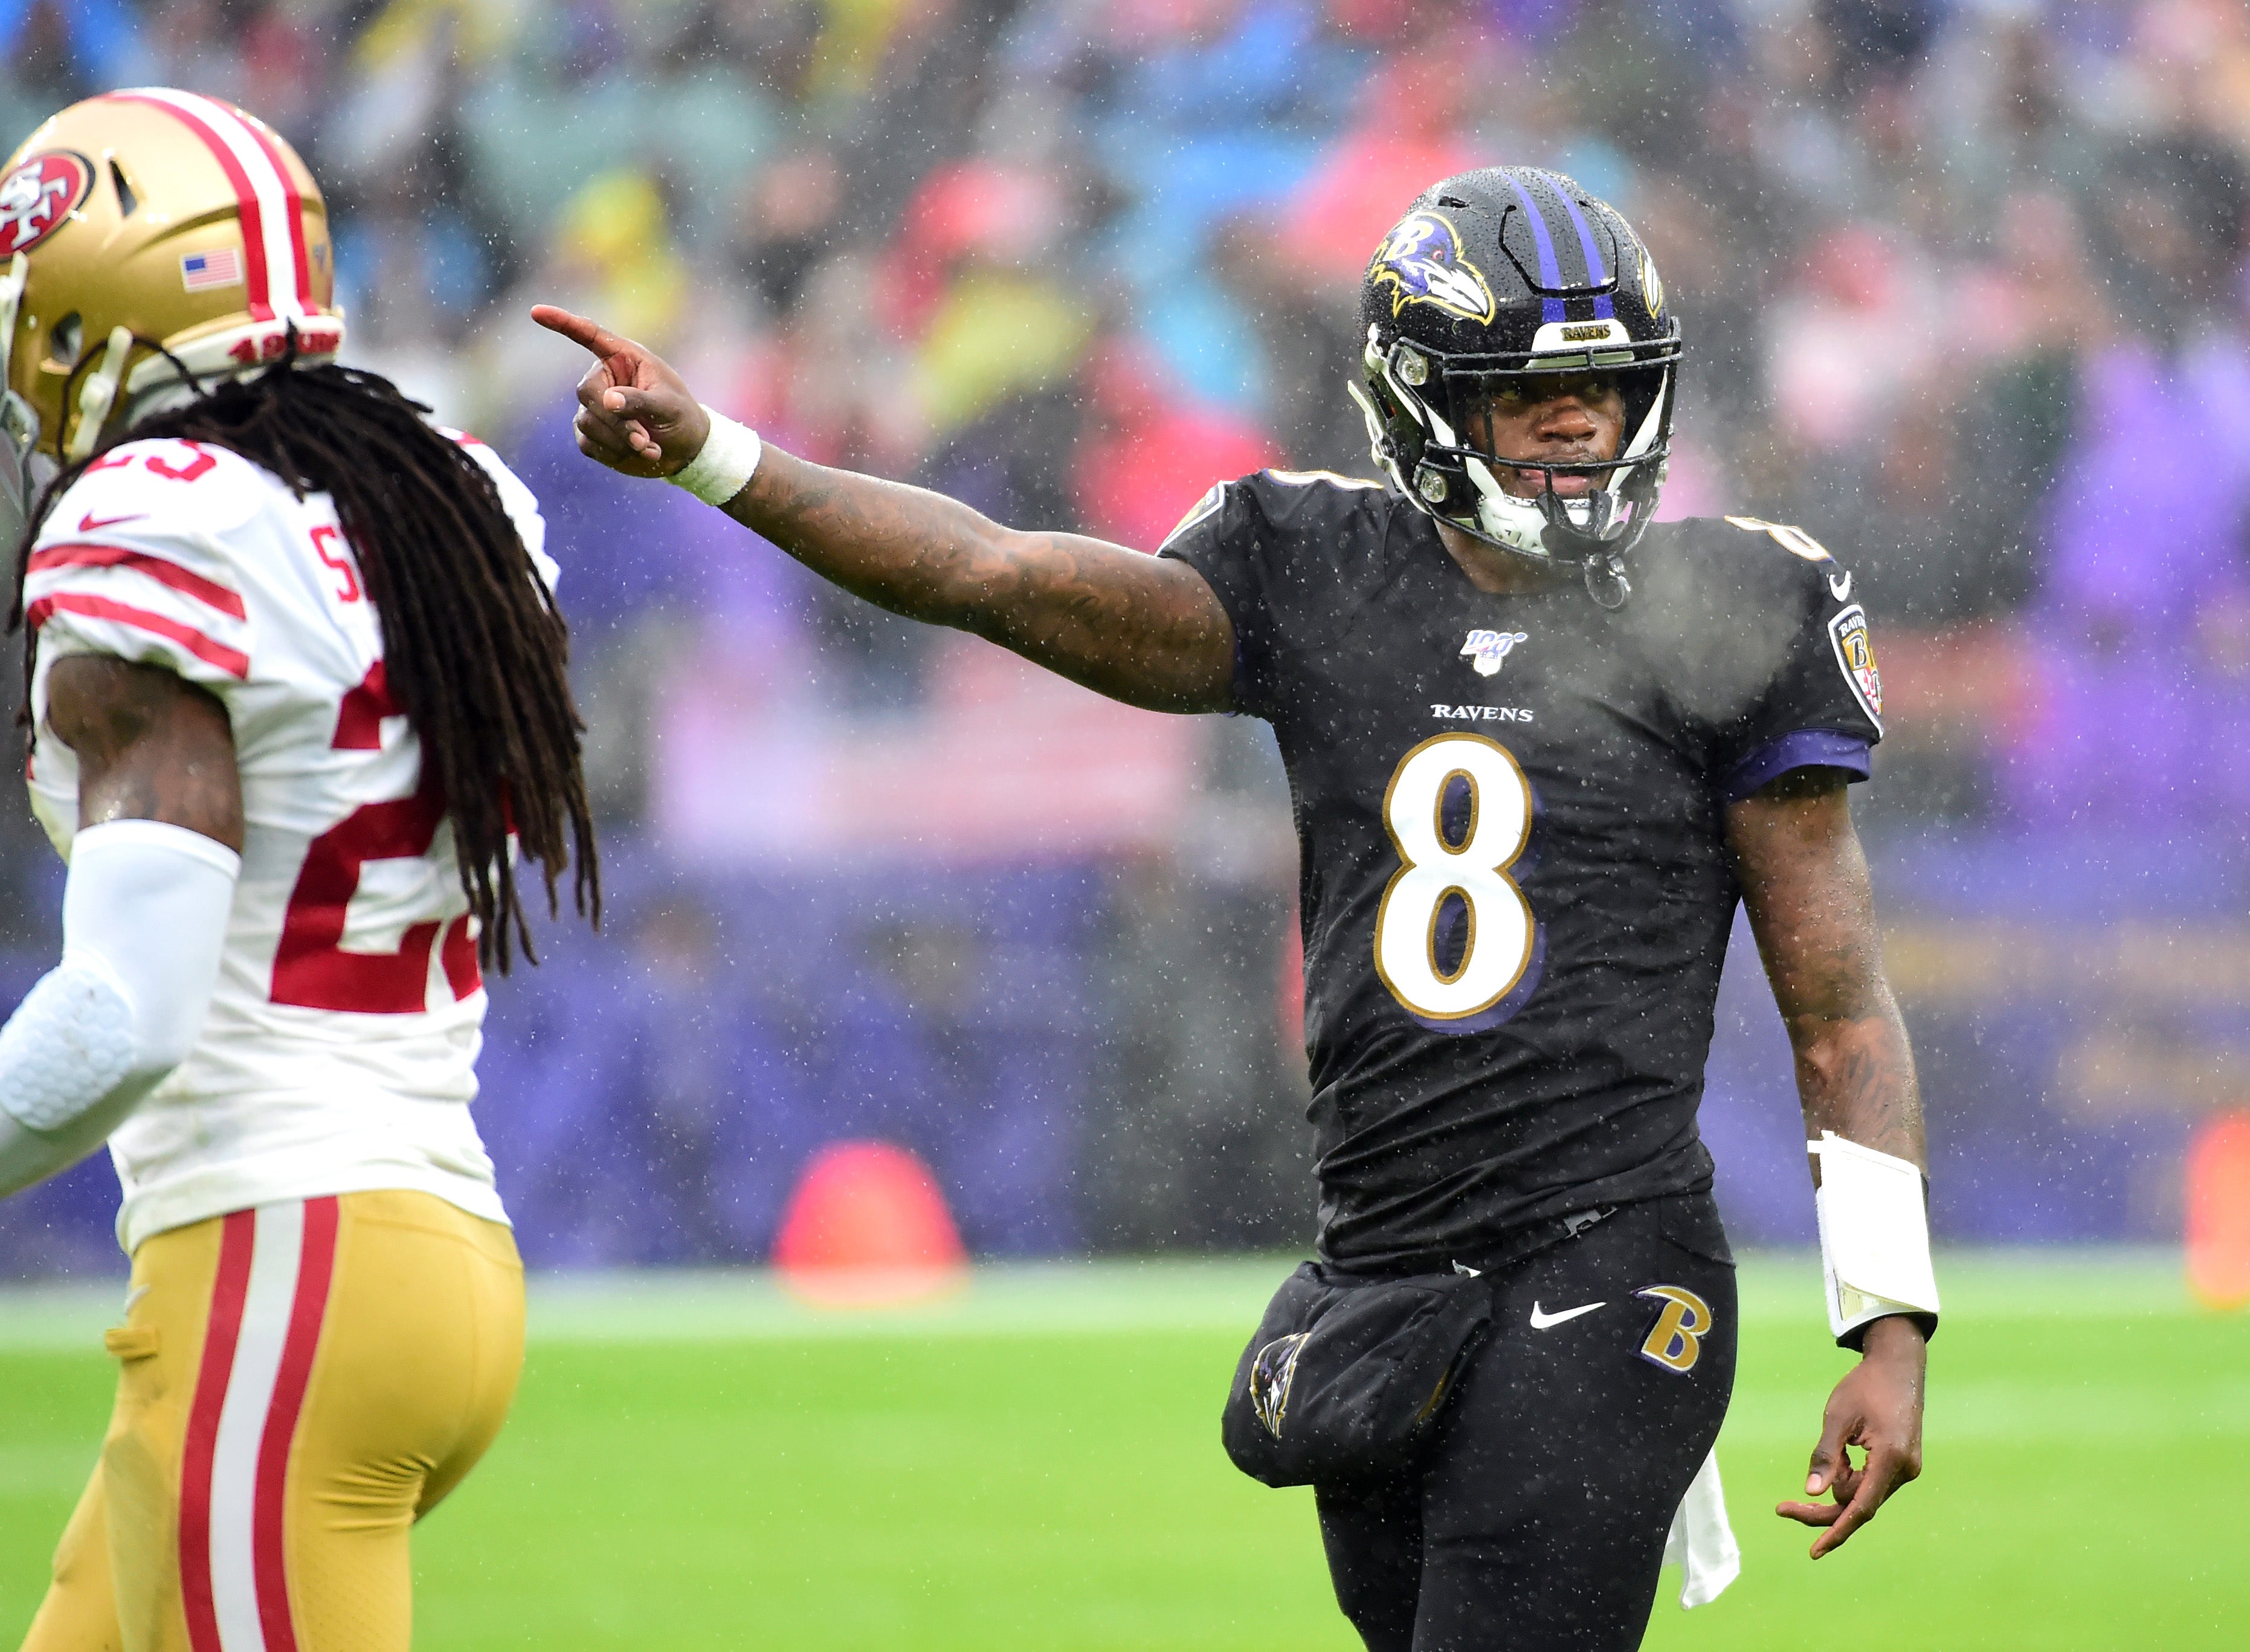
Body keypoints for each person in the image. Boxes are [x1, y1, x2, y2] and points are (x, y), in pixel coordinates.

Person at [537, 164, 1936, 1650]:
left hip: (1607, 1256)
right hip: (1384, 1269)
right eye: (1530, 396)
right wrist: (719, 459)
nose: (1578, 424)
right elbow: (990, 571)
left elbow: (1838, 1009)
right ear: (1424, 401)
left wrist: (1885, 1320)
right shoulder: (1312, 567)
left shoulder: (1732, 608)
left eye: (1601, 388)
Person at [0, 91, 596, 1651]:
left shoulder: (153, 520)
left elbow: (125, 1013)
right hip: (428, 1246)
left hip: (285, 1254)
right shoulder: (431, 494)